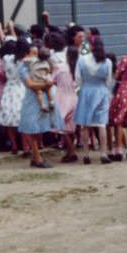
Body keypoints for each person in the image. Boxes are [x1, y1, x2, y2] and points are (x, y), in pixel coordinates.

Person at [18, 41, 61, 168]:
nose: (35, 56)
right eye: (33, 53)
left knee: (39, 128)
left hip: (43, 98)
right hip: (32, 99)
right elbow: (30, 85)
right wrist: (47, 84)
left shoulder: (41, 65)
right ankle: (37, 157)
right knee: (32, 128)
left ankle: (35, 156)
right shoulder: (23, 67)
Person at [73, 37, 114, 164]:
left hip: (86, 91)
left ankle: (86, 154)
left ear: (90, 46)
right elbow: (109, 81)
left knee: (86, 125)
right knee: (101, 124)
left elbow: (78, 79)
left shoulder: (81, 59)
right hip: (101, 91)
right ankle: (103, 153)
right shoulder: (107, 61)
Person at [46, 32, 79, 163]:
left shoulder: (59, 67)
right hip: (73, 96)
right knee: (70, 127)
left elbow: (50, 80)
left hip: (62, 97)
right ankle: (70, 151)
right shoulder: (75, 68)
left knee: (61, 127)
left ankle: (71, 151)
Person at [0, 40, 25, 155]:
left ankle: (14, 145)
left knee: (9, 118)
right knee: (23, 118)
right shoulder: (21, 60)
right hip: (21, 87)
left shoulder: (5, 59)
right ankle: (25, 145)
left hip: (9, 87)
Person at [29, 47, 55, 113]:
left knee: (39, 93)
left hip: (36, 82)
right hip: (44, 81)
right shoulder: (46, 64)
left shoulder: (33, 61)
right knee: (48, 91)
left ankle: (42, 105)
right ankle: (51, 102)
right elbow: (48, 72)